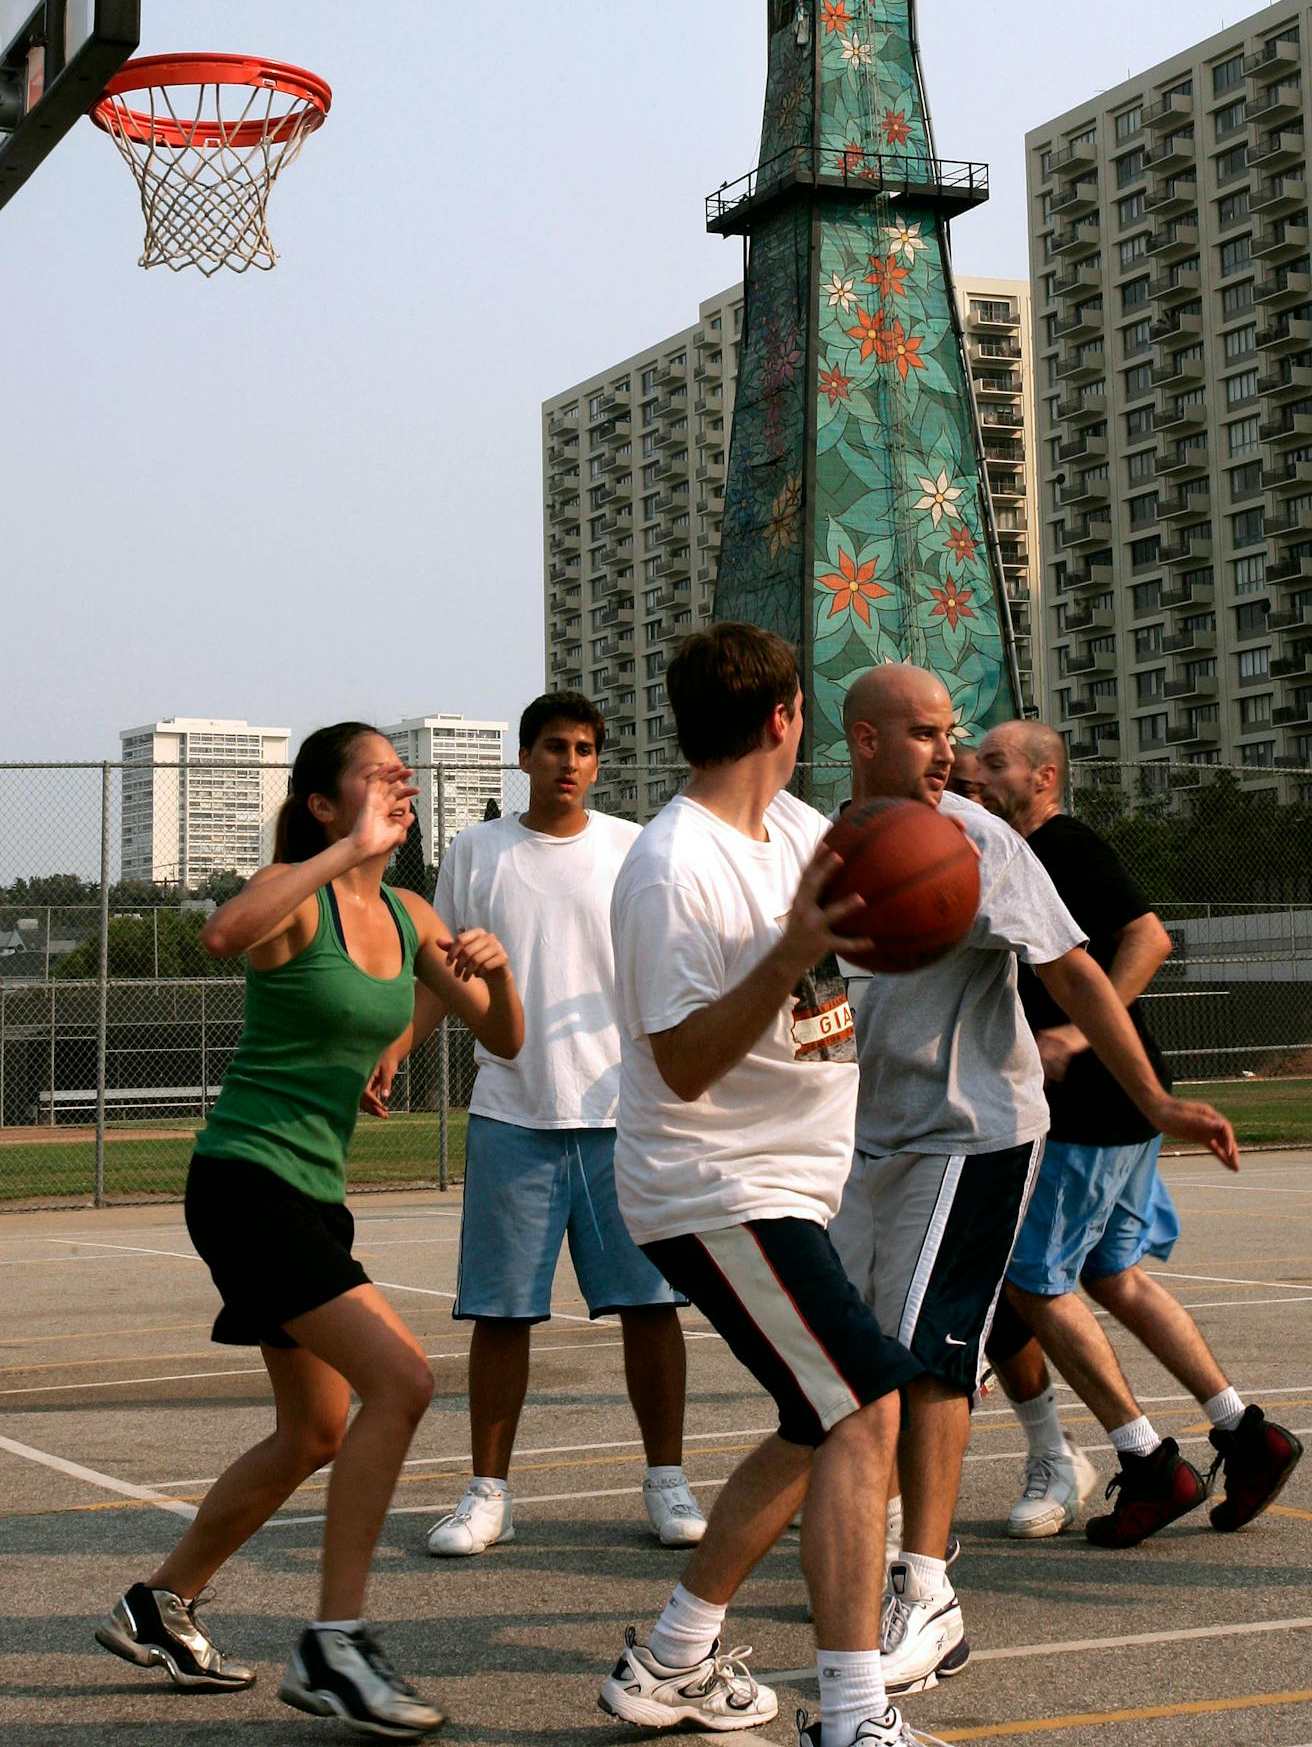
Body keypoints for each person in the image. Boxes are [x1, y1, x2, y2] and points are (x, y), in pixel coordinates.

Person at [96, 722, 523, 1739]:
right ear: (326, 805)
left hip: (311, 1196)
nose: (399, 782)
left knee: (316, 1430)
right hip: (244, 1185)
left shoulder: (413, 914)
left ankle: (159, 1603)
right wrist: (333, 853)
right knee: (404, 1382)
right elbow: (221, 933)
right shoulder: (303, 897)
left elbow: (504, 1037)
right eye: (376, 774)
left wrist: (494, 971)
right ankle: (335, 1644)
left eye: (400, 774)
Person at [830, 665, 1238, 1701]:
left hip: (975, 1134)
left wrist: (1152, 1103)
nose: (947, 753)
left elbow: (1074, 970)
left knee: (927, 1360)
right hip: (873, 1140)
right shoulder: (826, 847)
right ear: (863, 739)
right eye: (922, 733)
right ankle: (882, 1553)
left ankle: (922, 1590)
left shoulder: (979, 844)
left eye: (951, 734)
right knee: (855, 1359)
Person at [601, 622, 935, 1747]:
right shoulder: (667, 866)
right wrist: (786, 955)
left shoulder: (801, 831)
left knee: (812, 1416)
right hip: (710, 1185)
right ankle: (850, 1713)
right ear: (785, 719)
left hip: (789, 1184)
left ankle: (668, 1659)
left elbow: (890, 888)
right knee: (862, 1405)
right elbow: (683, 1067)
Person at [370, 690, 703, 1557]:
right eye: (554, 747)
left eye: (586, 749)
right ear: (525, 759)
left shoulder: (634, 849)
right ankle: (490, 1494)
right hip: (513, 1113)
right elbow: (449, 978)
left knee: (649, 1306)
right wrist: (398, 1046)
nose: (570, 762)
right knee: (503, 1315)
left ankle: (667, 1483)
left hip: (620, 1116)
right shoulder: (478, 852)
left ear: (599, 763)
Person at [977, 720, 1304, 1545]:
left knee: (1032, 1283)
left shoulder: (1063, 845)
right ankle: (1244, 1431)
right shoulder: (1013, 852)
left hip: (1092, 1104)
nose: (976, 773)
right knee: (1114, 1276)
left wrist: (1079, 1034)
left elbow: (1151, 937)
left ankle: (1148, 1461)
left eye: (994, 762)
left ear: (1045, 776)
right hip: (1120, 1100)